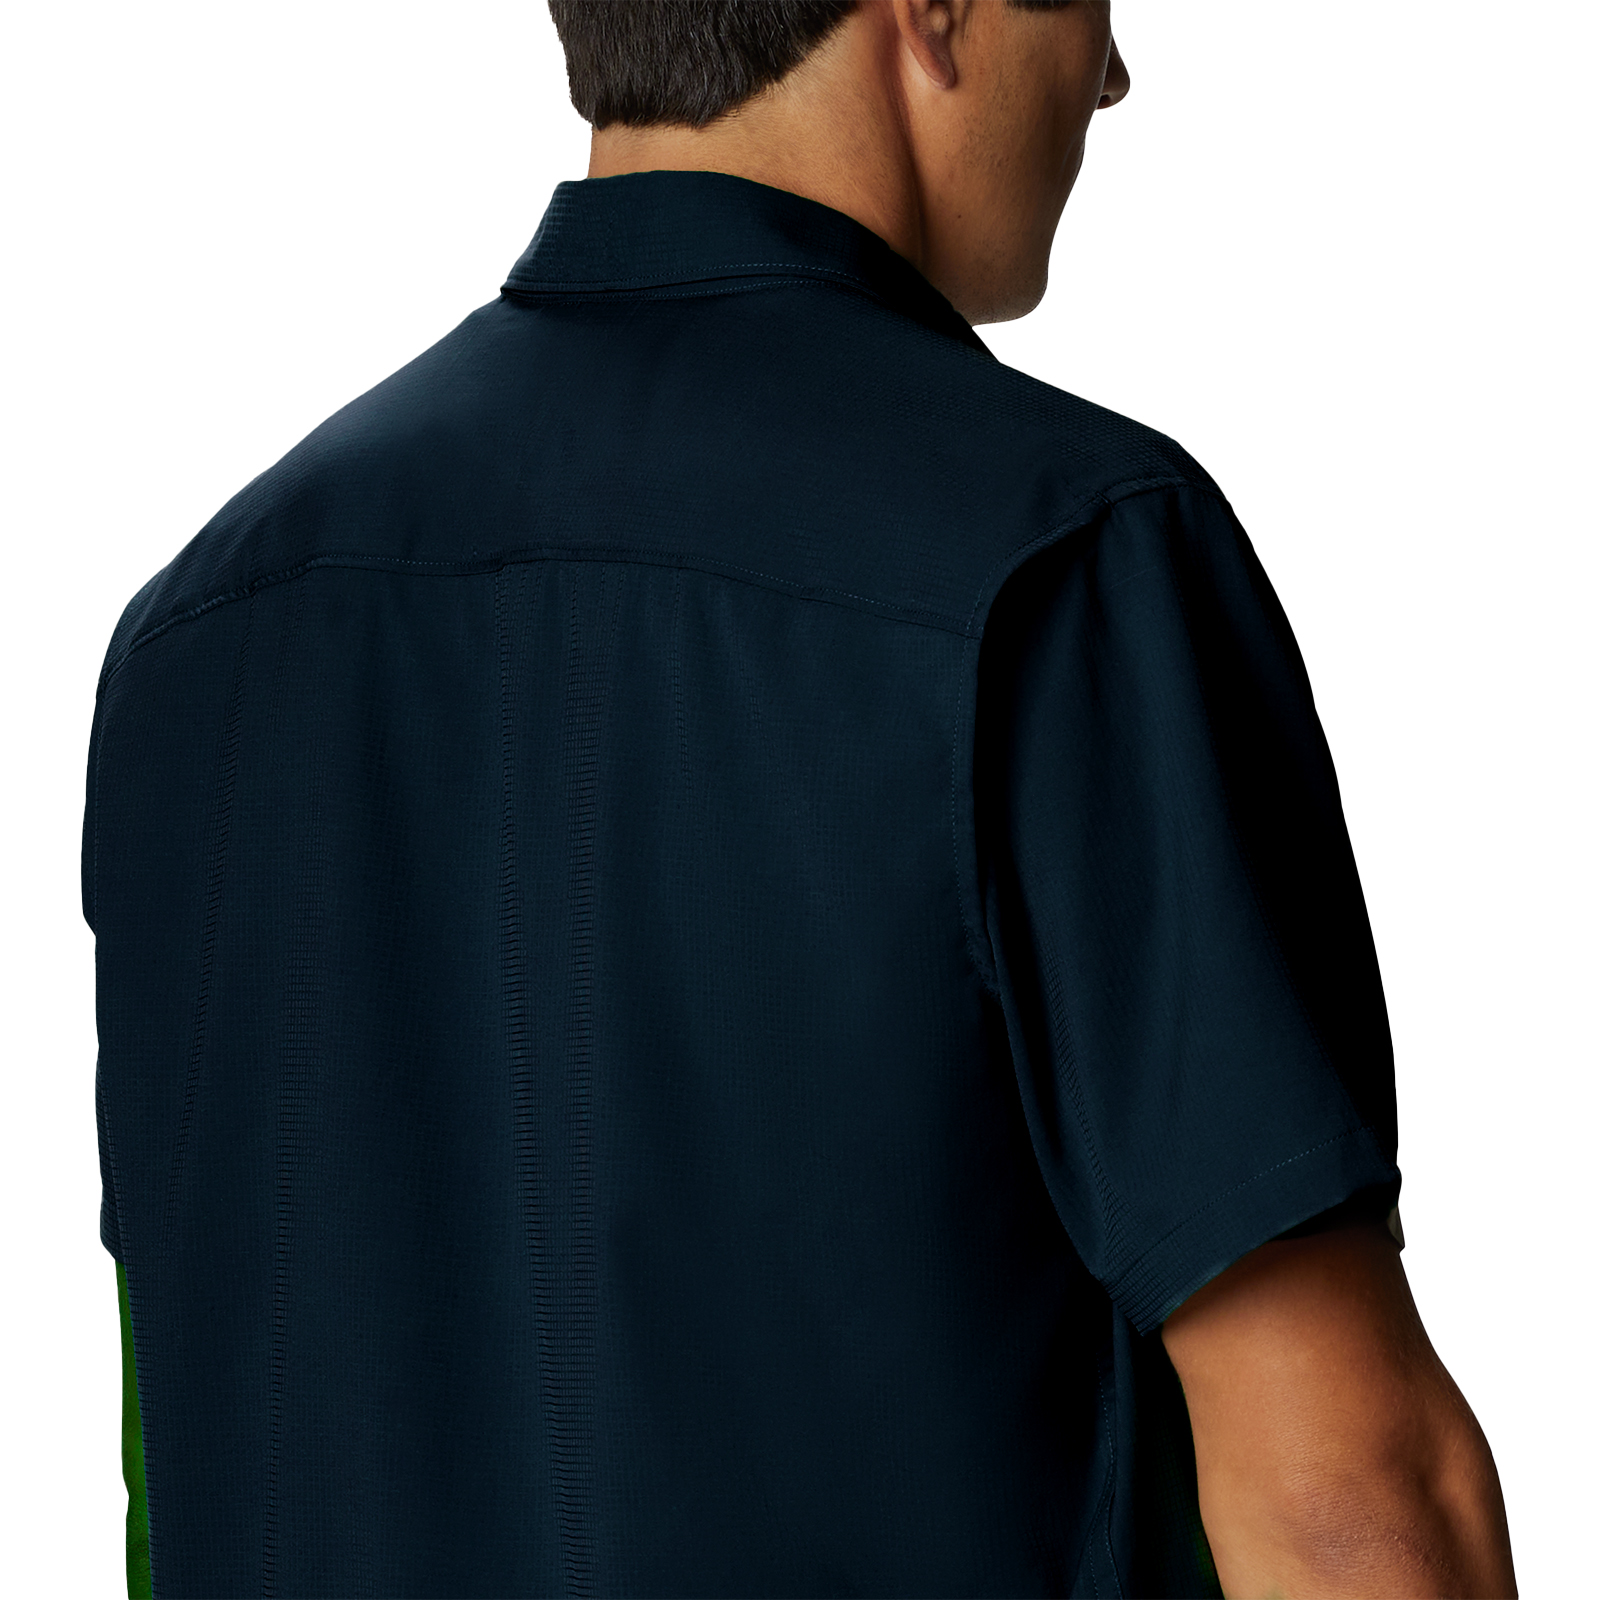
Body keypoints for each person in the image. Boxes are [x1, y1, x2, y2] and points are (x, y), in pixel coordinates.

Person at [84, 1, 1517, 1594]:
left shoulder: (194, 644)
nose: (1112, 71)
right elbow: (1345, 1503)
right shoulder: (1063, 560)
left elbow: (173, 1454)